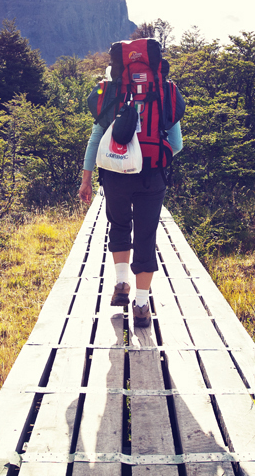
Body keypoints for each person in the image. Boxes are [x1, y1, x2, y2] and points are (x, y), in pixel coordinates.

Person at [77, 74, 183, 329]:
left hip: (115, 174)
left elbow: (96, 140)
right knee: (146, 235)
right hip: (152, 176)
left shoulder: (112, 94)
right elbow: (177, 144)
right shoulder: (163, 92)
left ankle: (122, 283)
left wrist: (86, 179)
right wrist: (150, 155)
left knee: (120, 225)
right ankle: (142, 305)